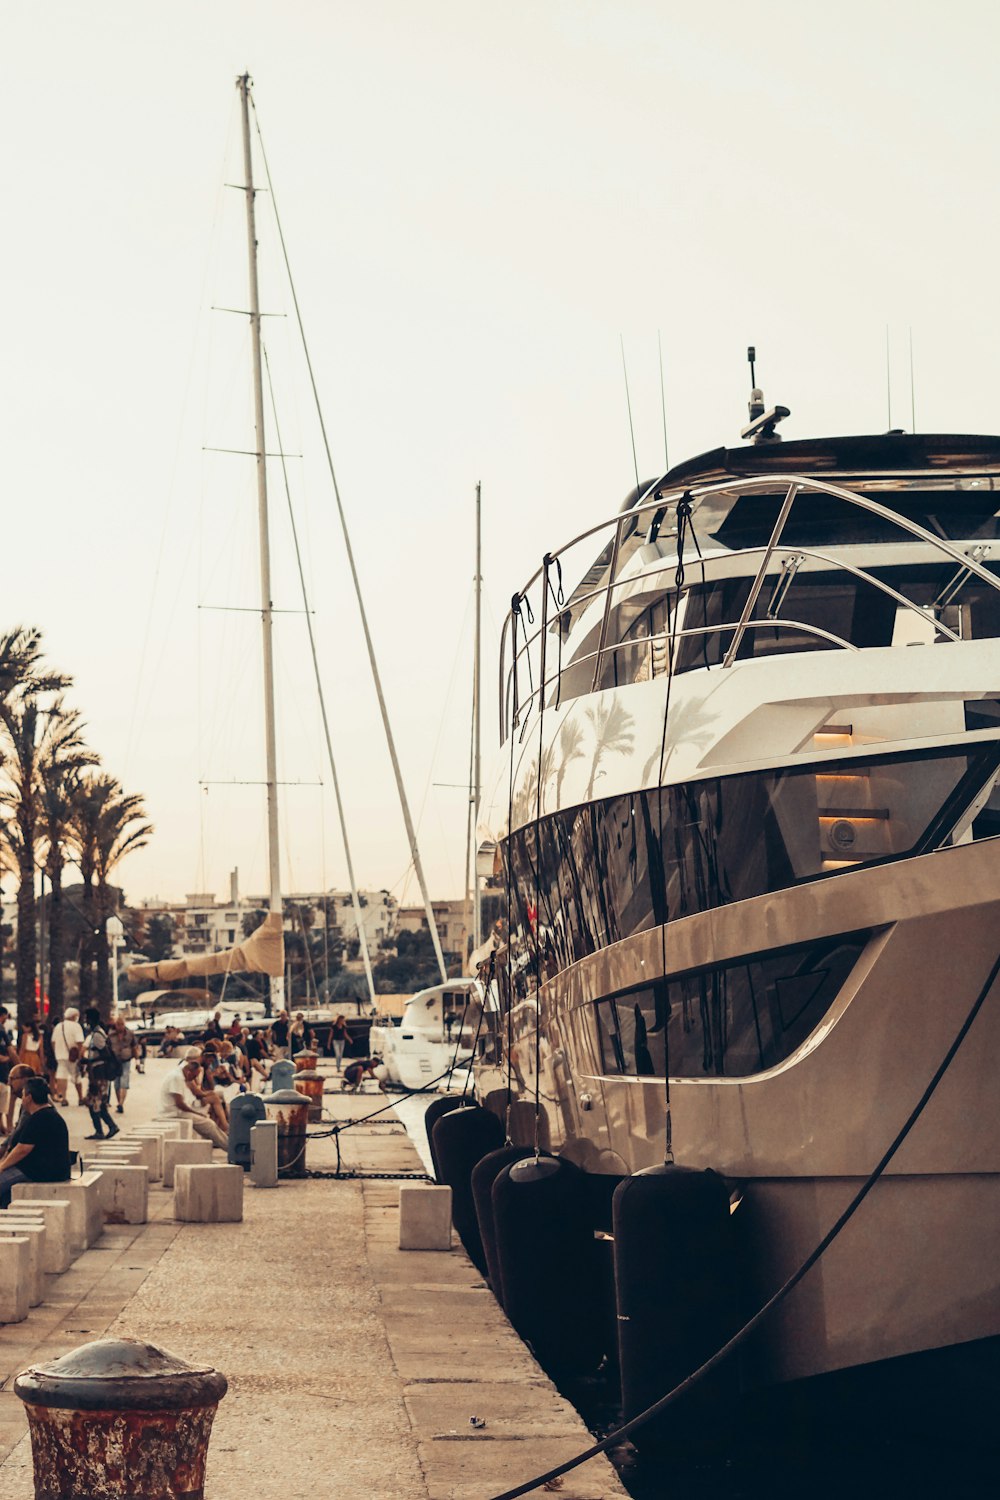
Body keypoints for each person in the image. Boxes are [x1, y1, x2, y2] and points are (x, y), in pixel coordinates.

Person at [0, 1077, 71, 1208]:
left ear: (29, 1097)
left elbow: (22, 1149)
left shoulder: (39, 1118)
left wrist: (2, 1166)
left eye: (23, 1095)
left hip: (41, 1172)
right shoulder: (47, 1114)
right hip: (46, 1169)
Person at [156, 1057, 228, 1149]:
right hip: (173, 1112)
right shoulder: (177, 1078)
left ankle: (217, 1145)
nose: (193, 1079)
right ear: (189, 1072)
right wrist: (197, 1113)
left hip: (178, 1110)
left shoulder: (179, 1073)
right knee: (209, 1124)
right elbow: (180, 1104)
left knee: (208, 1122)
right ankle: (229, 1147)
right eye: (194, 1076)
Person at [82, 1007, 120, 1141]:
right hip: (97, 1072)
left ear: (91, 1019)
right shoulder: (96, 1032)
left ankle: (102, 1130)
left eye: (86, 1017)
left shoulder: (97, 1035)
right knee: (98, 1103)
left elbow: (106, 1054)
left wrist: (90, 1060)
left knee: (94, 1103)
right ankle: (110, 1126)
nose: (85, 1020)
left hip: (99, 1073)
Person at [51, 1007, 85, 1106]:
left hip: (60, 1055)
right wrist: (80, 1055)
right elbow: (79, 1042)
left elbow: (53, 1042)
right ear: (74, 1016)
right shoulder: (76, 1026)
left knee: (61, 1076)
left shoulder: (58, 1026)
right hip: (73, 1056)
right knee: (76, 1076)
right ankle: (80, 1097)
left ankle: (63, 1098)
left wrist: (57, 1051)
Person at [109, 1015, 139, 1113]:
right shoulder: (110, 1034)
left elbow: (134, 1047)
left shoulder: (130, 1034)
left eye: (122, 1024)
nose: (120, 1027)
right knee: (116, 1083)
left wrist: (137, 1062)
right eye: (118, 1024)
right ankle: (119, 1103)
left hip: (126, 1060)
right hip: (114, 1061)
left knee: (124, 1081)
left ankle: (121, 1103)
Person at [0, 1008, 20, 1134]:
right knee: (4, 1098)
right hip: (2, 1071)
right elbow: (11, 1050)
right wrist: (20, 1065)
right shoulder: (1, 1029)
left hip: (3, 1071)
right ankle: (6, 1126)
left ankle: (3, 1126)